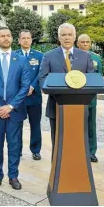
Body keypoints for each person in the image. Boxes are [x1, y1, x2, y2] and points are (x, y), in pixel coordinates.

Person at [0, 27, 30, 191]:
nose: (5, 38)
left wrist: (10, 106)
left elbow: (25, 87)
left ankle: (13, 176)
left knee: (14, 145)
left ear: (12, 38)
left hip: (14, 111)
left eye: (8, 35)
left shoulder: (21, 60)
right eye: (2, 36)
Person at [39, 23, 94, 156]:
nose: (67, 38)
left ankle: (77, 171)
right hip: (57, 106)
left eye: (70, 35)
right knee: (58, 143)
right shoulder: (49, 56)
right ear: (59, 37)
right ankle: (57, 174)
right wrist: (54, 90)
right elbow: (42, 79)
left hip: (79, 108)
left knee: (78, 144)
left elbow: (92, 79)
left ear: (75, 37)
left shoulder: (85, 56)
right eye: (64, 35)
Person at [15, 30, 43, 161]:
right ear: (19, 40)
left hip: (34, 96)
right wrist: (22, 89)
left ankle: (36, 150)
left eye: (28, 38)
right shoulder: (14, 55)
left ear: (32, 40)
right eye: (23, 38)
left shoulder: (39, 56)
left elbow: (41, 74)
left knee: (35, 124)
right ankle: (17, 149)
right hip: (18, 97)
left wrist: (32, 86)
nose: (26, 40)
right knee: (17, 125)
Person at [77, 34, 103, 163]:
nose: (85, 44)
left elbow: (99, 77)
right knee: (77, 126)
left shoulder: (96, 58)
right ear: (78, 43)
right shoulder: (72, 56)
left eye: (87, 42)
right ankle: (79, 150)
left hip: (91, 97)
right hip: (75, 97)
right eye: (82, 42)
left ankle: (92, 151)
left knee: (91, 126)